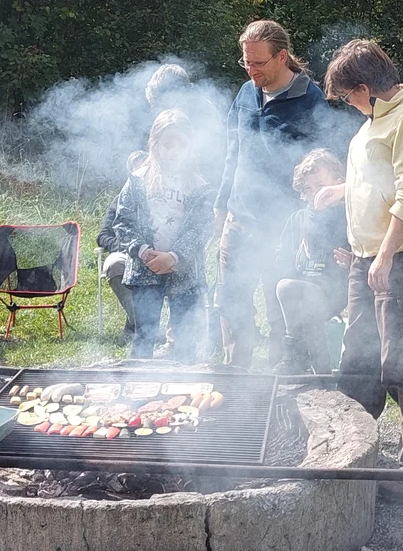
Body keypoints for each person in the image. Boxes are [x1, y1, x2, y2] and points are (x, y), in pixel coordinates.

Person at [323, 39, 403, 502]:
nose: (350, 107)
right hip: (369, 257)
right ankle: (347, 451)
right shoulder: (378, 117)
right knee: (358, 358)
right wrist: (342, 190)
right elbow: (382, 178)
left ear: (366, 88)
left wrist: (386, 256)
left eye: (349, 98)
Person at [213, 20, 348, 368]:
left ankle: (278, 386)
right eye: (246, 62)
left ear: (282, 57)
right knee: (231, 302)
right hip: (239, 220)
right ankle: (235, 377)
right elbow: (233, 152)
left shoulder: (310, 100)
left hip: (281, 228)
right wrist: (221, 205)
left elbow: (324, 166)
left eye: (258, 63)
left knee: (278, 309)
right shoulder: (246, 93)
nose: (251, 70)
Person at [100, 62, 224, 338]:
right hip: (146, 265)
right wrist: (143, 250)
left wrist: (175, 256)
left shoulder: (204, 119)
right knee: (145, 335)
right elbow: (123, 218)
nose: (174, 150)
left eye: (158, 104)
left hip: (184, 262)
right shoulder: (141, 177)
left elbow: (201, 222)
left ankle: (186, 343)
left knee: (185, 333)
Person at [269, 149, 349, 375]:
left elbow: (363, 256)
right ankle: (320, 370)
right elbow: (282, 259)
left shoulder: (347, 217)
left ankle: (295, 355)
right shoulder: (297, 220)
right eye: (308, 189)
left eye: (320, 186)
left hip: (333, 293)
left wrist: (352, 262)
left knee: (293, 291)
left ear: (338, 183)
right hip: (300, 293)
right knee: (289, 288)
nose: (315, 194)